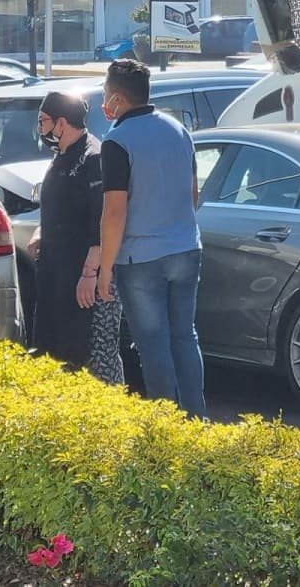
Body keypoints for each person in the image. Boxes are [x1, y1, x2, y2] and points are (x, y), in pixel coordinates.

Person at [96, 59, 205, 416]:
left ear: (116, 99)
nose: (104, 101)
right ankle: (197, 420)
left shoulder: (116, 141)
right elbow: (193, 195)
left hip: (140, 258)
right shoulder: (178, 130)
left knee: (153, 344)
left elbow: (114, 212)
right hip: (186, 248)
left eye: (105, 94)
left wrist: (104, 269)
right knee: (185, 337)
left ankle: (165, 427)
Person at [29, 91, 124, 384]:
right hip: (56, 270)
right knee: (51, 350)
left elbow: (101, 219)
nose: (40, 128)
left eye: (43, 121)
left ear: (61, 123)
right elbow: (57, 206)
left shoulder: (93, 157)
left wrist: (89, 273)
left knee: (92, 355)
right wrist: (40, 232)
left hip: (86, 275)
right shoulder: (61, 155)